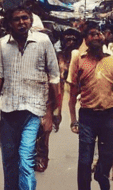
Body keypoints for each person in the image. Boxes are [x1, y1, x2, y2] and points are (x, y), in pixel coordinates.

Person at [0, 4, 61, 190]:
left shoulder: (43, 41)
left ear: (30, 20)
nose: (21, 22)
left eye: (25, 18)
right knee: (9, 159)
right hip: (9, 110)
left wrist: (51, 113)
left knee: (26, 159)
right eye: (17, 19)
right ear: (10, 23)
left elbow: (54, 78)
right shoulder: (3, 44)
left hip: (34, 111)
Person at [68, 21, 113, 190]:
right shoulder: (78, 59)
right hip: (88, 116)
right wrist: (73, 120)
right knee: (84, 160)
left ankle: (101, 174)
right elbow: (72, 93)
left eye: (99, 33)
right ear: (86, 39)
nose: (96, 36)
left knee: (108, 156)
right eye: (92, 34)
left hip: (110, 115)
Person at [36, 28, 80, 172]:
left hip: (48, 98)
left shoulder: (57, 57)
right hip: (31, 98)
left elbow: (57, 86)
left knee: (45, 130)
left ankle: (42, 156)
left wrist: (56, 111)